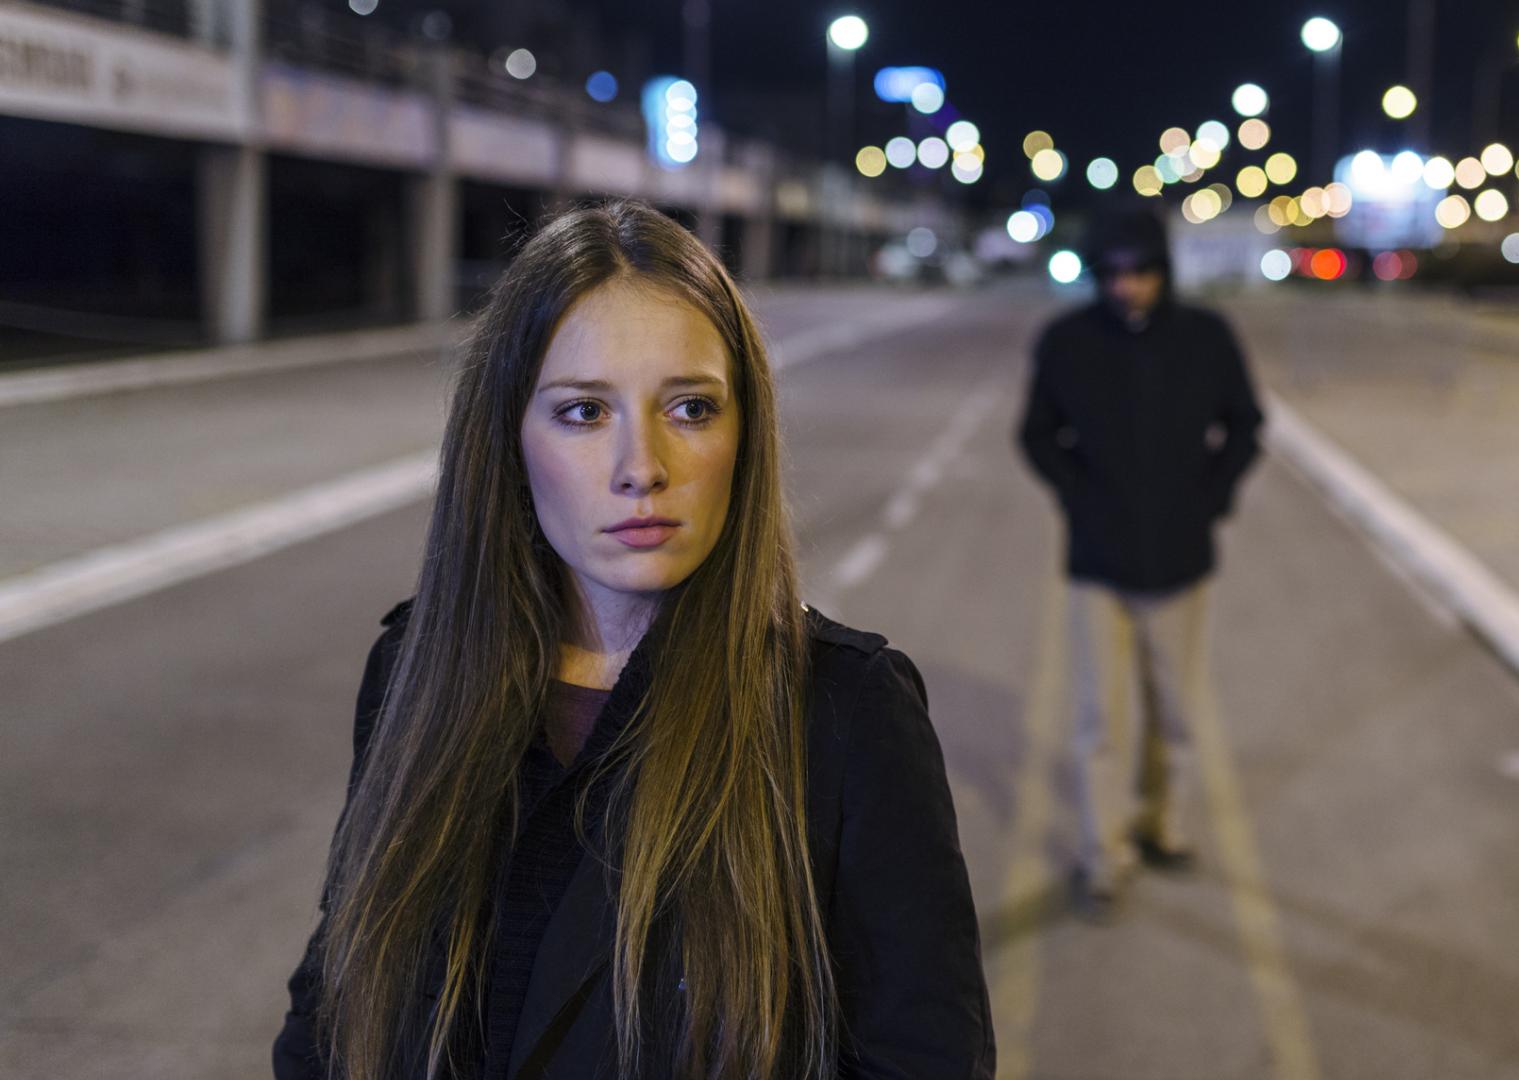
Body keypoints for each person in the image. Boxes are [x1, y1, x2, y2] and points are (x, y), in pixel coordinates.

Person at [273, 200, 994, 1080]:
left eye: (690, 408)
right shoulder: (414, 671)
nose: (641, 467)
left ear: (745, 435)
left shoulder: (845, 716)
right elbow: (330, 1005)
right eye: (583, 413)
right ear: (507, 439)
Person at [1016, 206, 1263, 920]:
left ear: (1164, 269)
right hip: (1097, 559)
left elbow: (1246, 425)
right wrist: (1077, 495)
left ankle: (1164, 824)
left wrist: (1210, 500)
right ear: (1100, 273)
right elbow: (1035, 434)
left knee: (1175, 711)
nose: (1130, 286)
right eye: (1117, 273)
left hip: (1182, 557)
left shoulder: (1207, 338)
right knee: (1102, 719)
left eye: (1143, 271)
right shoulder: (1065, 341)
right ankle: (1106, 854)